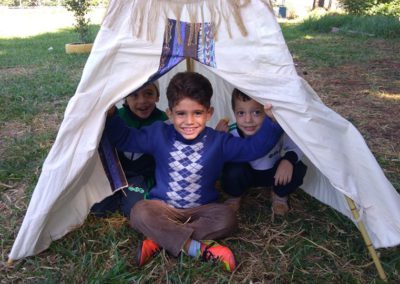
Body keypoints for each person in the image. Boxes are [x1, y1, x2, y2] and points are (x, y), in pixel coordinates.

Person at [104, 72, 283, 272]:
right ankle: (195, 248)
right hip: (164, 208)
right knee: (139, 212)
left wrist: (272, 122)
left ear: (209, 112)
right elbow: (125, 138)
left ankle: (160, 239)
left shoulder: (219, 141)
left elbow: (253, 148)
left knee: (227, 217)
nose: (189, 121)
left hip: (201, 211)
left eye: (197, 113)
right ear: (170, 113)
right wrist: (111, 115)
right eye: (181, 114)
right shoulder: (158, 134)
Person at [216, 89, 307, 216]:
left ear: (267, 111)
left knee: (298, 168)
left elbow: (295, 146)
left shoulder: (275, 128)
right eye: (241, 113)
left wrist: (288, 160)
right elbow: (217, 157)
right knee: (232, 170)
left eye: (256, 112)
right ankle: (234, 196)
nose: (248, 120)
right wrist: (218, 137)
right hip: (246, 175)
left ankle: (279, 195)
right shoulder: (231, 133)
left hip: (272, 175)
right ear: (234, 113)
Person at [91, 81, 168, 218]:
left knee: (133, 207)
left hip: (137, 178)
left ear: (158, 96)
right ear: (125, 98)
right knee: (98, 209)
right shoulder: (115, 117)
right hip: (114, 175)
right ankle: (117, 196)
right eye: (134, 95)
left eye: (149, 94)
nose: (142, 101)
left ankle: (128, 197)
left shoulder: (163, 122)